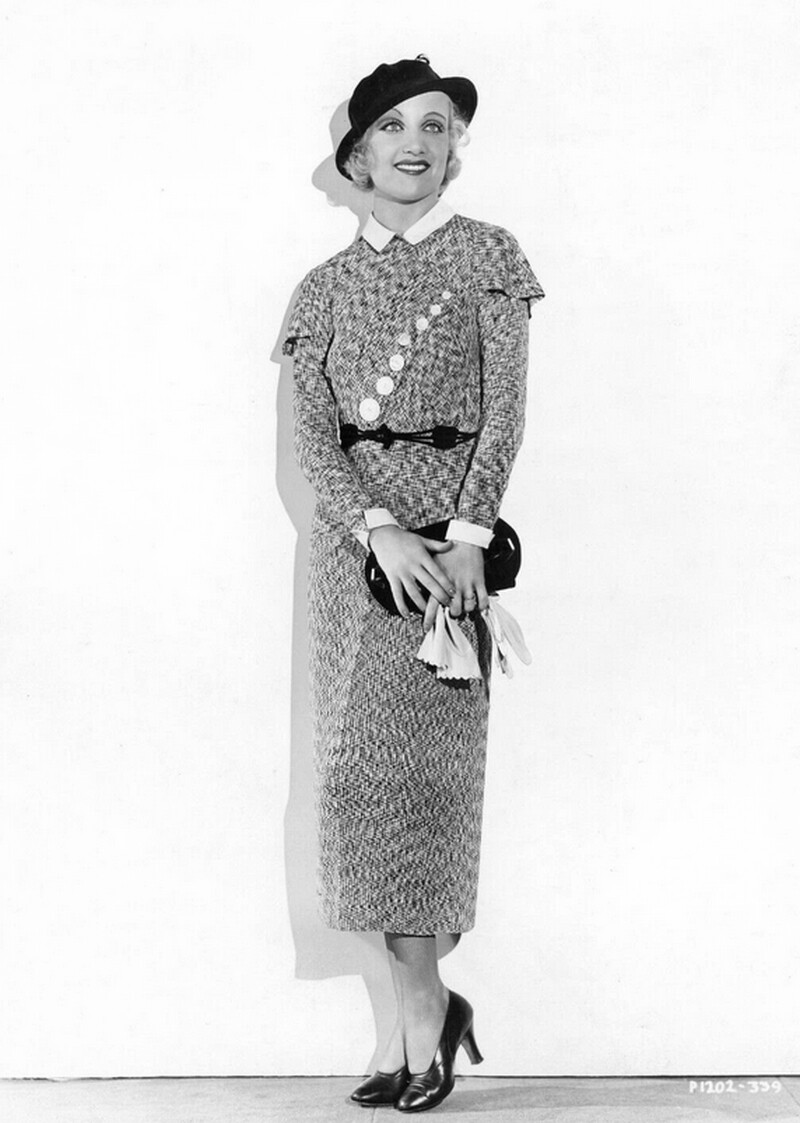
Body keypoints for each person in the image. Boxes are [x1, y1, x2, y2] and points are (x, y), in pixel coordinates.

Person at [282, 55, 544, 1113]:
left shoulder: (489, 256)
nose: (416, 143)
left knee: (426, 788)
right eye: (393, 126)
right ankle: (423, 1013)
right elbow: (313, 436)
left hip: (449, 559)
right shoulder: (321, 288)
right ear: (356, 154)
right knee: (360, 785)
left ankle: (424, 1020)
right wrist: (376, 528)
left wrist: (467, 536)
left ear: (453, 150)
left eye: (437, 126)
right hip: (357, 566)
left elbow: (505, 410)